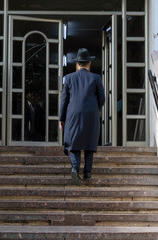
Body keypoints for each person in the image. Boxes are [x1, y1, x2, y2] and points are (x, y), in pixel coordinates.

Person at [59, 48, 105, 185]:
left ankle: (75, 168)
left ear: (77, 63)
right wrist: (94, 107)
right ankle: (88, 173)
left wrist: (62, 119)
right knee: (90, 143)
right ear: (89, 63)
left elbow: (64, 101)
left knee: (74, 142)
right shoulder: (96, 78)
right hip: (91, 114)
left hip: (73, 114)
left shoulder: (69, 78)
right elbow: (102, 98)